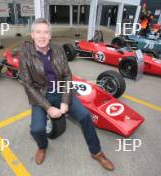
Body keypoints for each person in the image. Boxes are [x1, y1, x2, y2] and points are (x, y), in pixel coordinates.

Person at [19, 18, 115, 171]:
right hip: (40, 94)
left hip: (61, 89)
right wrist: (48, 108)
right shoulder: (25, 55)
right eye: (38, 32)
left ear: (50, 35)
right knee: (37, 129)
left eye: (45, 32)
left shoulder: (58, 50)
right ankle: (42, 147)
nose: (42, 36)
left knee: (85, 116)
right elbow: (28, 85)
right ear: (32, 35)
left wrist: (65, 101)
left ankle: (96, 152)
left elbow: (66, 76)